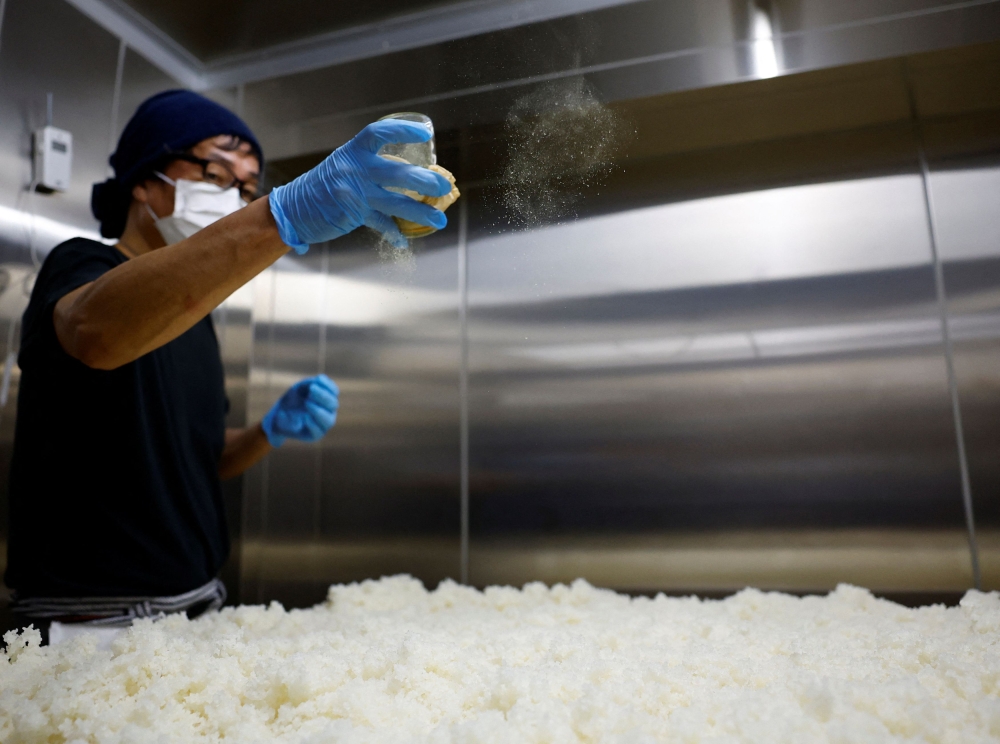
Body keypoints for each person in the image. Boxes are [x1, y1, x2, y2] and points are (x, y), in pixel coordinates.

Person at [4, 90, 455, 642]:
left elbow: (204, 458)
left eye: (247, 188)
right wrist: (281, 214)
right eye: (216, 173)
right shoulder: (80, 264)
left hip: (196, 607)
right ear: (144, 181)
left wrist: (267, 432)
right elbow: (96, 334)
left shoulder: (197, 319)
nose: (236, 195)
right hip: (89, 620)